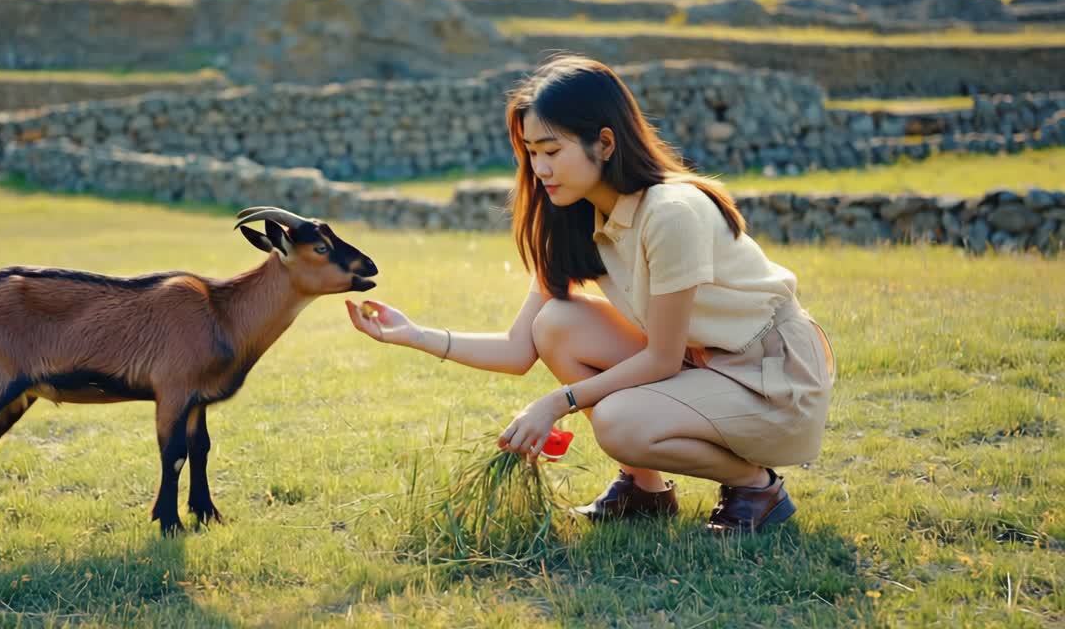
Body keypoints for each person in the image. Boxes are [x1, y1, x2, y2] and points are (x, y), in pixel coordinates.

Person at [344, 55, 836, 533]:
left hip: (773, 379)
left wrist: (555, 403)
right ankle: (645, 490)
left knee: (620, 422)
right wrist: (411, 334)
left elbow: (662, 360)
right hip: (705, 364)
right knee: (556, 323)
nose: (539, 167)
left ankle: (757, 489)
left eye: (551, 150)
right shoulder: (576, 215)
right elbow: (521, 350)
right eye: (531, 152)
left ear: (603, 143)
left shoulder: (671, 212)